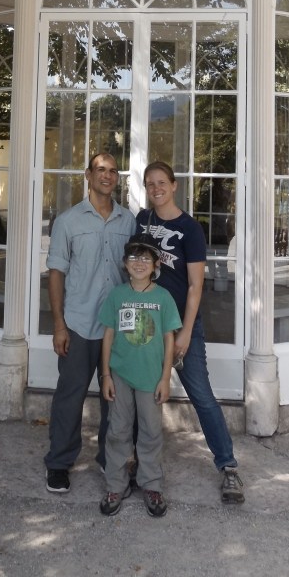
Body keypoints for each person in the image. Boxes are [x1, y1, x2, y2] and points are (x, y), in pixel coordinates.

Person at [136, 161, 245, 504]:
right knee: (141, 392)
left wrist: (184, 333)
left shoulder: (190, 228)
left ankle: (227, 466)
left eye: (161, 182)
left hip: (181, 325)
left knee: (201, 395)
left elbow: (197, 285)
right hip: (147, 323)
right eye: (150, 183)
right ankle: (139, 463)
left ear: (174, 185)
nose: (156, 188)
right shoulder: (141, 221)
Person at [44, 153, 136, 493]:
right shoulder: (68, 221)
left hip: (118, 326)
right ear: (88, 175)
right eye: (101, 170)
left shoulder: (129, 221)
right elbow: (56, 274)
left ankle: (110, 462)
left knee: (115, 400)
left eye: (113, 171)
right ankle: (59, 462)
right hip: (79, 323)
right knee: (70, 396)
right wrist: (58, 325)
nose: (107, 176)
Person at [98, 235, 182, 518]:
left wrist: (165, 377)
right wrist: (106, 374)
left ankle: (151, 484)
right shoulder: (118, 296)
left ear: (156, 264)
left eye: (146, 258)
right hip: (120, 375)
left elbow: (170, 338)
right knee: (118, 430)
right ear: (124, 263)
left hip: (151, 378)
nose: (139, 263)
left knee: (150, 432)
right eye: (133, 257)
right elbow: (108, 335)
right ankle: (116, 484)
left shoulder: (163, 298)